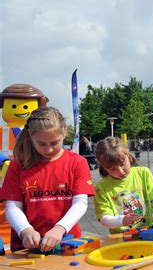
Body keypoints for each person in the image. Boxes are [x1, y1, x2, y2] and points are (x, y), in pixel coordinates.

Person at [0, 107, 95, 252]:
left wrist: (60, 228)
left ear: (64, 132)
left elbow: (80, 203)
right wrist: (25, 230)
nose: (48, 150)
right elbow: (12, 206)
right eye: (41, 144)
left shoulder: (77, 162)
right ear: (31, 136)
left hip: (67, 243)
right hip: (27, 247)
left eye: (54, 143)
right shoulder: (18, 165)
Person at [94, 136, 153, 233]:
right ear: (103, 167)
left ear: (127, 153)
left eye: (122, 163)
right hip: (121, 237)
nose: (120, 171)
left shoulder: (143, 173)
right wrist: (121, 221)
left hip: (149, 231)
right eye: (112, 169)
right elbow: (103, 218)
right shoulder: (101, 187)